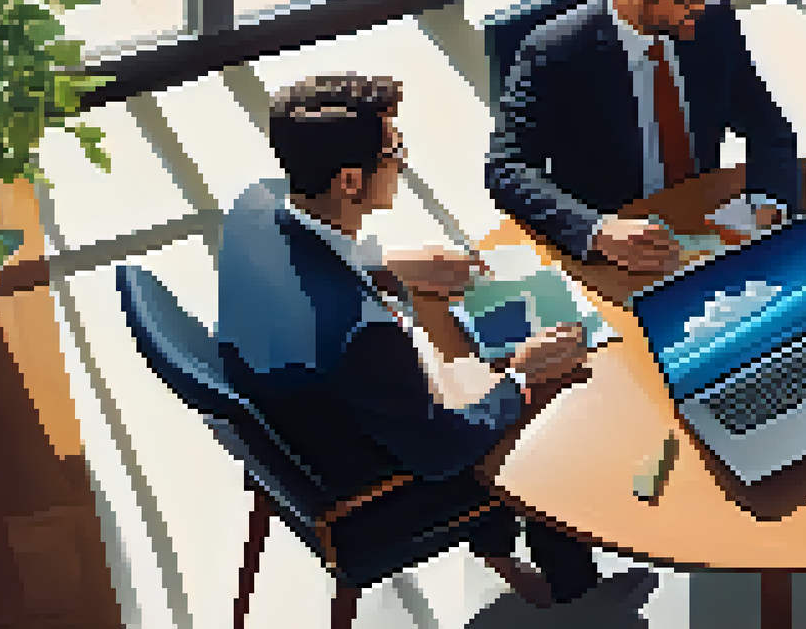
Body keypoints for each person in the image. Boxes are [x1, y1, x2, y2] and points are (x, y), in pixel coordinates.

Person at [216, 73, 602, 607]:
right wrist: (522, 376)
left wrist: (386, 267)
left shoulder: (253, 208)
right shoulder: (363, 336)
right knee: (552, 420)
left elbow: (305, 270)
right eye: (394, 151)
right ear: (350, 182)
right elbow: (442, 453)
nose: (401, 161)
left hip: (293, 417)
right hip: (371, 487)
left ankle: (505, 550)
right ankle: (579, 596)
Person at [486, 0, 803, 275]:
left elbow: (769, 129)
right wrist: (597, 231)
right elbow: (507, 170)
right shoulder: (552, 54)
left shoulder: (715, 27)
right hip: (617, 254)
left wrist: (769, 202)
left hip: (703, 230)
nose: (700, 4)